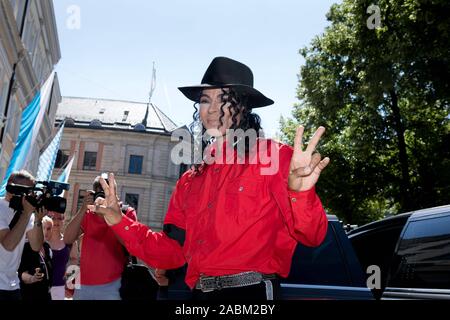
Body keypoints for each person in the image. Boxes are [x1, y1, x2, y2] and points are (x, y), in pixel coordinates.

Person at [91, 57, 330, 300]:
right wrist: (118, 220)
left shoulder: (274, 158)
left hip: (251, 294)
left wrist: (300, 194)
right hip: (198, 296)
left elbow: (313, 236)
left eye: (225, 100)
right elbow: (171, 252)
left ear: (244, 107)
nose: (213, 109)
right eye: (205, 100)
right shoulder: (190, 180)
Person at [63, 176, 137, 300]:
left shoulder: (126, 212)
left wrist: (111, 216)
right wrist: (83, 208)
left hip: (113, 284)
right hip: (84, 285)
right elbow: (68, 238)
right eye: (100, 192)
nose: (103, 197)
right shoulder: (89, 213)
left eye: (108, 192)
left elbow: (130, 244)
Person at [0, 170, 44, 301]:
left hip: (12, 286)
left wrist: (37, 218)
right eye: (27, 191)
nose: (30, 195)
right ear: (11, 187)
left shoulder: (27, 211)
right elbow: (8, 244)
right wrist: (26, 214)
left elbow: (36, 246)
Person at [18, 216, 53, 301]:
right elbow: (21, 273)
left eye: (49, 228)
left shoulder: (47, 246)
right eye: (43, 228)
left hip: (46, 295)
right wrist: (32, 278)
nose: (45, 232)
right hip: (30, 295)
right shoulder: (26, 247)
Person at [47, 211, 71, 300]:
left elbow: (74, 262)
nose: (56, 221)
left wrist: (68, 283)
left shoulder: (69, 241)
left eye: (59, 218)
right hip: (40, 287)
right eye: (53, 218)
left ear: (63, 220)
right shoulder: (41, 241)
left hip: (59, 288)